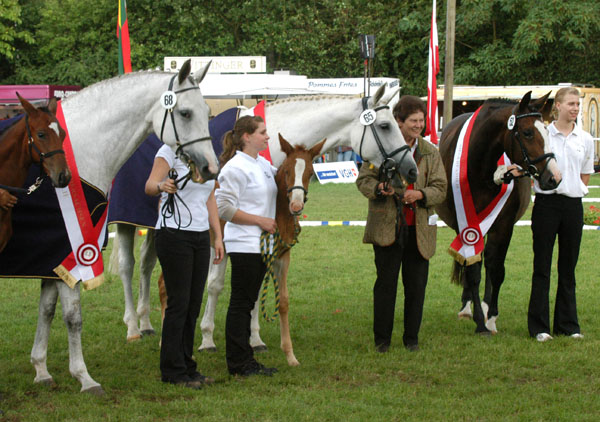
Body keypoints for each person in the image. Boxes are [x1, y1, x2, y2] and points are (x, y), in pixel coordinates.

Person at [356, 95, 446, 353]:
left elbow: (440, 188)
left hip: (419, 231)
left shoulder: (430, 152)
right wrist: (379, 187)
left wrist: (421, 195)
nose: (419, 125)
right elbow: (363, 181)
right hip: (387, 229)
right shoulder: (380, 148)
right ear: (399, 121)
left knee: (416, 287)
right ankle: (382, 341)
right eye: (413, 121)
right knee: (386, 286)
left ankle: (411, 340)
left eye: (422, 120)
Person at [145, 143, 224, 389]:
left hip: (200, 235)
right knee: (179, 303)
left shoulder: (208, 152)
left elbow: (210, 195)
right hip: (173, 233)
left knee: (193, 304)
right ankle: (172, 369)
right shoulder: (168, 151)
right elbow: (149, 186)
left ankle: (187, 364)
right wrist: (161, 186)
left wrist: (217, 235)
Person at [528, 87, 595, 342]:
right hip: (546, 206)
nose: (575, 108)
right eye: (570, 103)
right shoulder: (545, 136)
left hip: (572, 207)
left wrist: (572, 189)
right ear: (557, 105)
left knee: (568, 268)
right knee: (542, 267)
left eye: (578, 104)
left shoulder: (585, 139)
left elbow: (585, 174)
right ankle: (539, 327)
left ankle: (567, 325)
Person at [215, 115, 279, 376]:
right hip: (244, 243)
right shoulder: (234, 168)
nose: (267, 137)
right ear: (246, 137)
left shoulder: (262, 163)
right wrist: (260, 221)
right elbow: (224, 208)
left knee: (248, 302)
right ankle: (239, 363)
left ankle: (245, 359)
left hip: (262, 245)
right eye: (263, 132)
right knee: (241, 303)